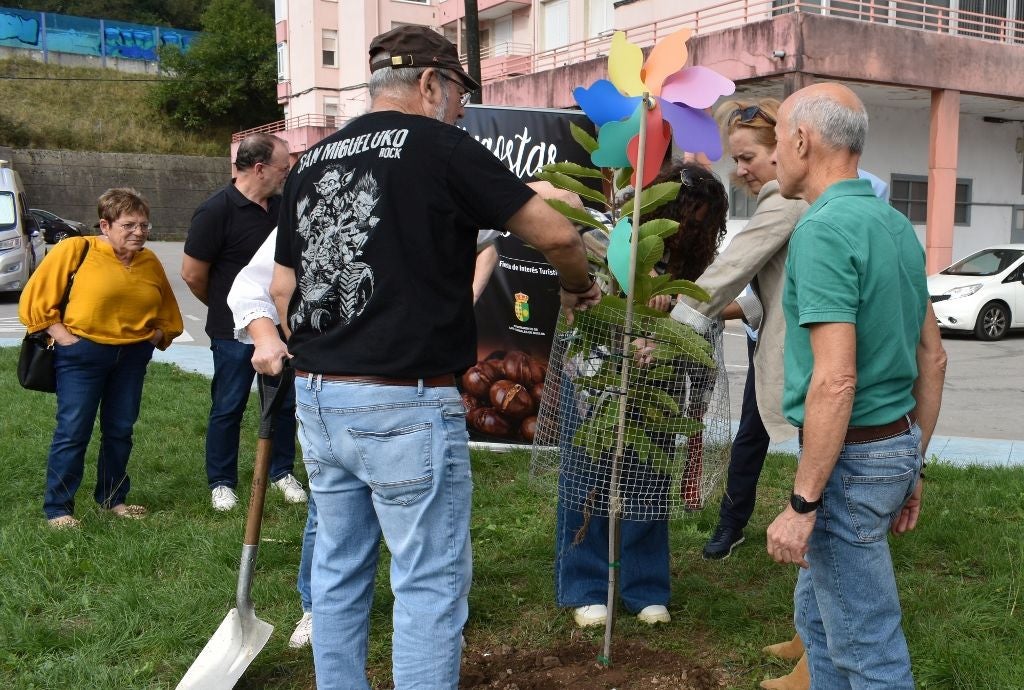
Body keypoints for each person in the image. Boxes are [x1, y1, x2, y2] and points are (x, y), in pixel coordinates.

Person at [268, 25, 601, 689]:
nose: (459, 111)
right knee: (428, 584)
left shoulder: (312, 159)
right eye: (456, 97)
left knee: (337, 571)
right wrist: (578, 285)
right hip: (404, 399)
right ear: (428, 83)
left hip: (320, 396)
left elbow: (282, 288)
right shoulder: (442, 146)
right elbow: (557, 231)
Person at [765, 82, 947, 688]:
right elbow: (934, 359)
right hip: (892, 446)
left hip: (851, 459)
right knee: (820, 625)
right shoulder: (895, 224)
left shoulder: (822, 229)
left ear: (801, 140)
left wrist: (802, 504)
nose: (772, 155)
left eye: (776, 140)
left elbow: (836, 378)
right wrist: (910, 465)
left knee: (868, 649)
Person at [556, 161, 730, 628]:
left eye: (700, 222)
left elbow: (726, 300)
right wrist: (633, 289)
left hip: (658, 388)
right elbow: (584, 280)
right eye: (684, 215)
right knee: (586, 479)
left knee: (648, 484)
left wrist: (673, 300)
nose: (688, 228)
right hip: (595, 381)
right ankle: (585, 585)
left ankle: (644, 586)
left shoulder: (699, 260)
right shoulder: (614, 234)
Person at [674, 99, 808, 562]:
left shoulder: (786, 201)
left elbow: (733, 268)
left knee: (813, 451)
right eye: (736, 160)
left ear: (785, 149)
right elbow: (771, 289)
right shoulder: (789, 201)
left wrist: (675, 320)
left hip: (802, 357)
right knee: (751, 434)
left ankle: (811, 531)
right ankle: (733, 524)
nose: (742, 170)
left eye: (748, 157)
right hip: (768, 346)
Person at [19, 188, 183, 529]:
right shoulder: (77, 250)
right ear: (105, 225)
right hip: (82, 355)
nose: (139, 232)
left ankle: (112, 499)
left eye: (144, 225)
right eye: (129, 225)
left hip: (132, 357)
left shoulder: (149, 261)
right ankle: (58, 509)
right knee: (73, 430)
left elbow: (167, 310)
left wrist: (154, 336)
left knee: (120, 430)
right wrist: (64, 338)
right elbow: (35, 298)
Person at [182, 133, 307, 512]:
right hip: (231, 333)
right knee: (228, 405)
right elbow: (191, 274)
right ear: (259, 168)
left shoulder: (285, 208)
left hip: (282, 327)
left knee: (282, 404)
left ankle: (281, 471)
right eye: (283, 167)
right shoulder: (216, 210)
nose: (287, 173)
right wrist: (227, 309)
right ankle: (222, 482)